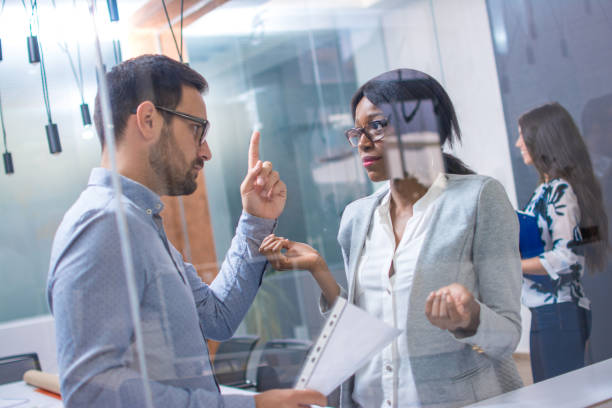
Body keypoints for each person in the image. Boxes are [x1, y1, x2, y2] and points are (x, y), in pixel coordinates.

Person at [46, 54, 326, 408]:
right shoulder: (105, 225)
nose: (205, 151)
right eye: (197, 129)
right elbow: (91, 389)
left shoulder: (138, 222)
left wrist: (255, 219)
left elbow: (217, 317)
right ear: (148, 120)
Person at [260, 69, 523, 407]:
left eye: (378, 125)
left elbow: (507, 337)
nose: (364, 143)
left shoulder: (478, 198)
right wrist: (318, 268)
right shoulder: (357, 216)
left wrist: (470, 317)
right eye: (358, 131)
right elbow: (364, 329)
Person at [515, 102, 609, 382]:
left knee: (562, 395)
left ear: (540, 139)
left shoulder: (560, 190)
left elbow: (567, 256)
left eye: (522, 135)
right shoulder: (546, 190)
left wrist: (514, 264)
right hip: (548, 310)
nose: (518, 142)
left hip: (560, 311)